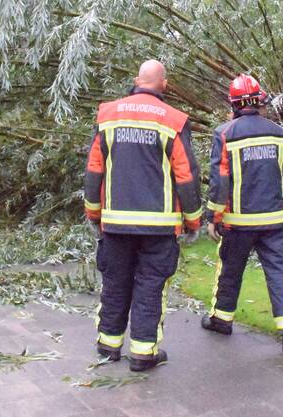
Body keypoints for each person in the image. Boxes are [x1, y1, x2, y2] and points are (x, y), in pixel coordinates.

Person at [83, 60, 202, 371]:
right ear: (164, 84)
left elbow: (95, 169)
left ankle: (108, 346)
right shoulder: (174, 121)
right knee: (150, 286)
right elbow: (186, 176)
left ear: (137, 80)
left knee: (115, 282)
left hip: (116, 225)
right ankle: (143, 353)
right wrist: (194, 221)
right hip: (159, 228)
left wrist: (93, 214)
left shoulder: (108, 115)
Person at [202, 74, 283, 356]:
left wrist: (214, 217)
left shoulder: (225, 133)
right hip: (274, 219)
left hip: (238, 221)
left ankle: (221, 319)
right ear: (260, 101)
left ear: (233, 103)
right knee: (280, 273)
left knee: (230, 271)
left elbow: (220, 180)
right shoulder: (278, 132)